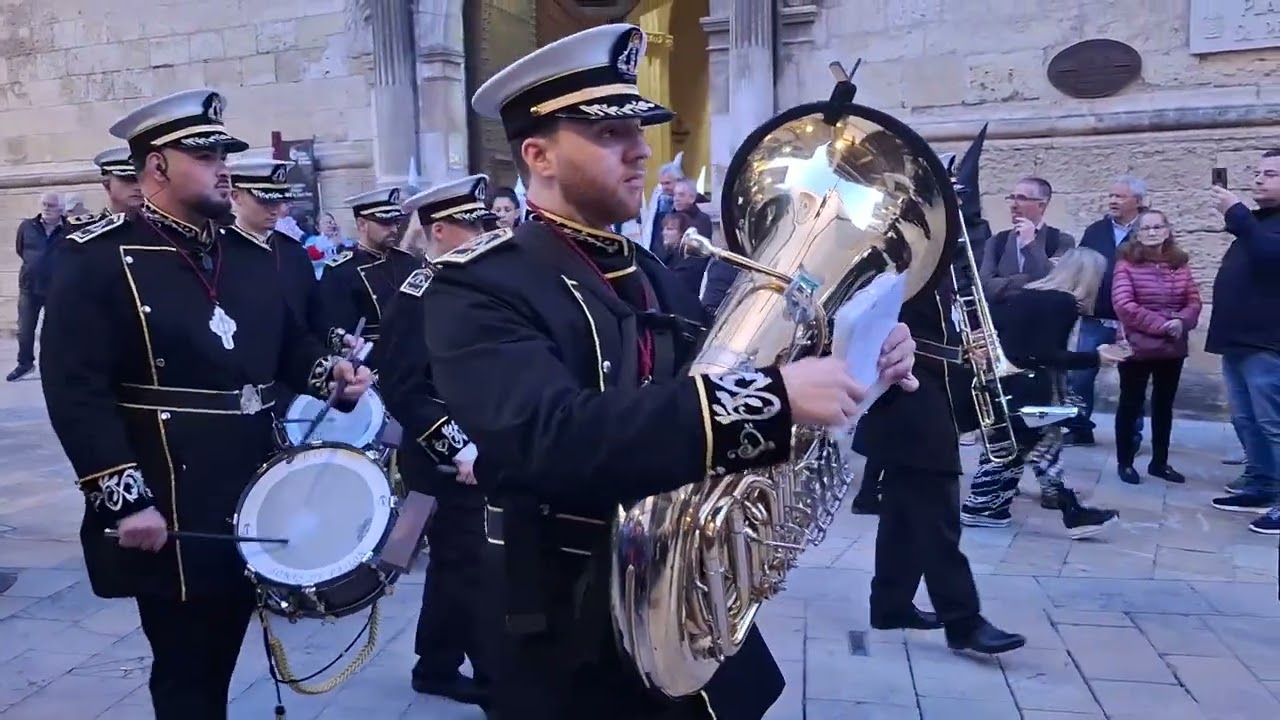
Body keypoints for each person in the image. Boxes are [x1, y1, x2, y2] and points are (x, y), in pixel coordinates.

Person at [421, 23, 918, 720]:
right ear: (538, 155)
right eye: (608, 134)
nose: (640, 150)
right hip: (564, 612)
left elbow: (735, 403)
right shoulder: (478, 286)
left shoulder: (652, 273)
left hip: (684, 597)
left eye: (640, 129)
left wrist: (858, 367)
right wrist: (774, 400)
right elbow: (545, 435)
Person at [37, 88, 372, 720]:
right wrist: (125, 496)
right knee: (187, 667)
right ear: (158, 166)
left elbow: (286, 347)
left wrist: (334, 376)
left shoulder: (249, 256)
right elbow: (74, 390)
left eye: (225, 153)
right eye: (207, 154)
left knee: (223, 647)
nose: (225, 167)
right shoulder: (98, 258)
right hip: (168, 498)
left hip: (252, 488)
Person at [853, 272, 1026, 652]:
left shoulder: (940, 254)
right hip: (909, 387)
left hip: (935, 383)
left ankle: (890, 605)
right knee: (938, 504)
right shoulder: (907, 252)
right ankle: (963, 620)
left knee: (903, 504)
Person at [379, 174, 498, 708]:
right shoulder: (420, 293)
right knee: (460, 561)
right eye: (471, 226)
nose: (481, 234)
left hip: (478, 448)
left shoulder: (469, 284)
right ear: (441, 230)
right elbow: (406, 387)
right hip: (443, 455)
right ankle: (447, 665)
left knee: (469, 560)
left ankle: (452, 659)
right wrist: (457, 448)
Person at [959, 248, 1122, 538]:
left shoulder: (1025, 296)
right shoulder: (1064, 304)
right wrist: (1095, 358)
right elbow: (1046, 354)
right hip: (1030, 386)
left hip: (1005, 384)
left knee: (1023, 447)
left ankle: (995, 508)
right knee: (1021, 447)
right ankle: (983, 507)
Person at [1205, 151, 1280, 534]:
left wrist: (1236, 213)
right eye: (1257, 172)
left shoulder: (1257, 225)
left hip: (1268, 344)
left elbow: (1271, 258)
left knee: (1273, 424)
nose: (1259, 179)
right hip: (1238, 341)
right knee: (1246, 419)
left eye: (1271, 174)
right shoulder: (1261, 221)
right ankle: (1261, 483)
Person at [1111, 210, 1202, 485]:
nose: (1152, 232)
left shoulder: (1179, 263)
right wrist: (1163, 325)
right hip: (1137, 346)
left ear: (1167, 230)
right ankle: (1125, 463)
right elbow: (1124, 305)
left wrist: (1182, 322)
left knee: (1164, 405)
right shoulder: (1126, 264)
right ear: (1137, 233)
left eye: (1157, 227)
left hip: (1172, 347)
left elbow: (1194, 300)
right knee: (1130, 403)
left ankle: (1159, 462)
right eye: (1146, 228)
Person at [312, 187, 423, 367]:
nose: (394, 229)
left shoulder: (407, 262)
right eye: (385, 223)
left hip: (415, 359)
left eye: (396, 222)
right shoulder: (341, 270)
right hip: (371, 366)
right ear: (362, 224)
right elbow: (333, 328)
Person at [225, 159, 319, 322]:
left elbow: (315, 312)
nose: (275, 210)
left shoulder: (294, 252)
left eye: (278, 201)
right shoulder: (219, 251)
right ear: (236, 196)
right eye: (265, 201)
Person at [8, 192, 65, 382]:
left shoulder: (70, 229)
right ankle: (25, 363)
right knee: (24, 329)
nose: (47, 209)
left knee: (56, 330)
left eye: (51, 205)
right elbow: (20, 249)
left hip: (56, 287)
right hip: (29, 286)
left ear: (61, 209)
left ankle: (55, 365)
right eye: (44, 205)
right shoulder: (27, 227)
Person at [66, 148, 144, 232]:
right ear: (107, 184)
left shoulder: (158, 230)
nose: (138, 187)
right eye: (129, 180)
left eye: (144, 180)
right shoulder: (80, 229)